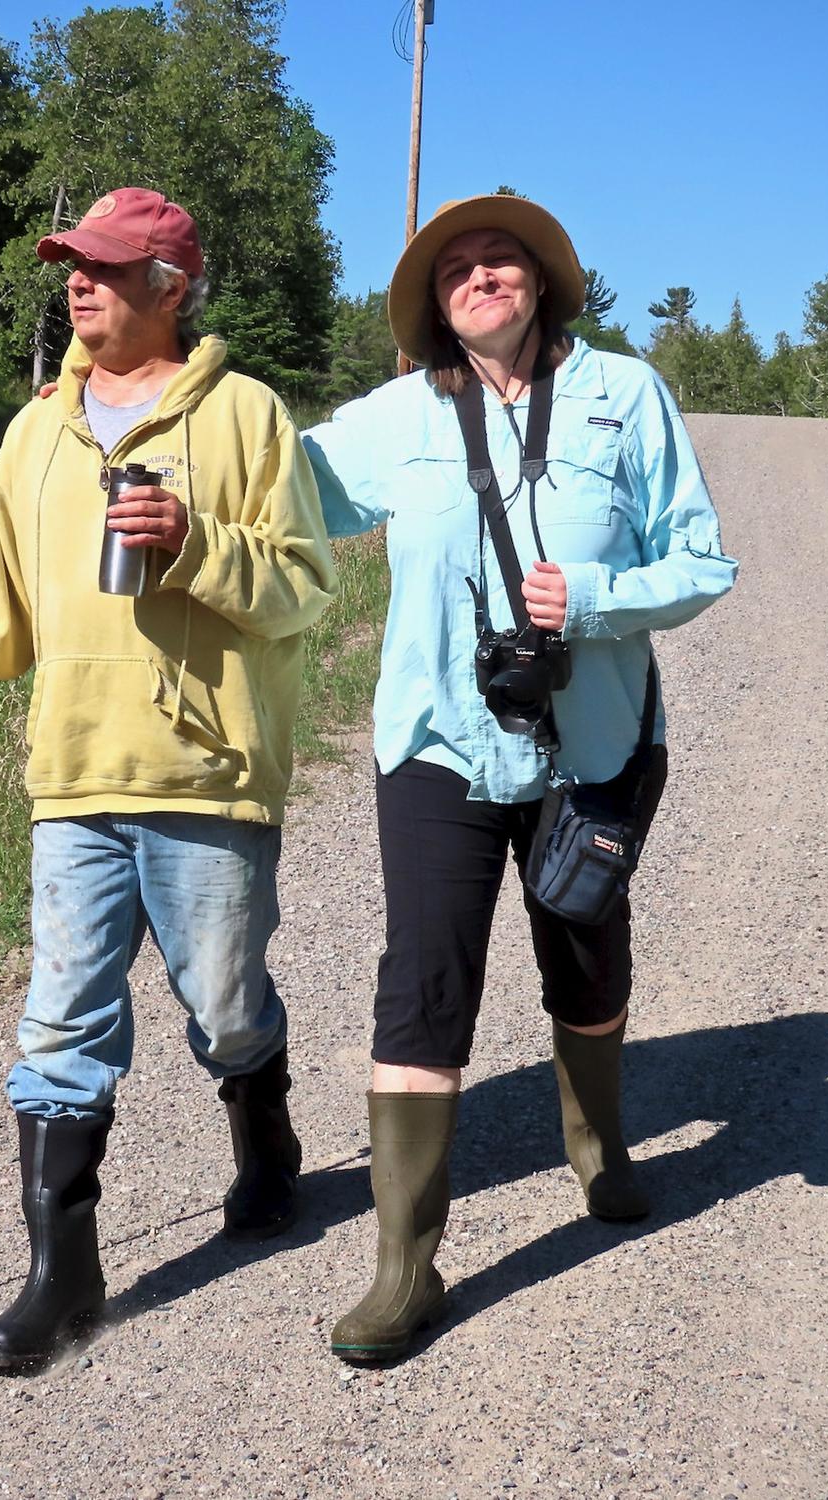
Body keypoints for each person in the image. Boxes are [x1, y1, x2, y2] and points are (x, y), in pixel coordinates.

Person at [0, 187, 337, 1371]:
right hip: (73, 779)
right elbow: (0, 601)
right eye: (71, 266)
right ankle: (62, 1280)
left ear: (170, 287)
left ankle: (264, 1148)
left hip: (206, 773)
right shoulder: (37, 432)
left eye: (106, 267)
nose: (77, 283)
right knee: (61, 1020)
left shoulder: (246, 416)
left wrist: (193, 544)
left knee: (226, 1007)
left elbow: (304, 589)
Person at [300, 194, 738, 1362]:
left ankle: (597, 1152)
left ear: (541, 281)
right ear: (435, 306)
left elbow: (701, 561)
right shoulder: (396, 416)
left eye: (501, 260)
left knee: (585, 951)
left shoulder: (624, 394)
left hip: (586, 745)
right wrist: (125, 405)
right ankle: (404, 1268)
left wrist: (596, 602)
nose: (480, 277)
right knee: (423, 979)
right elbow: (278, 482)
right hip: (441, 742)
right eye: (456, 269)